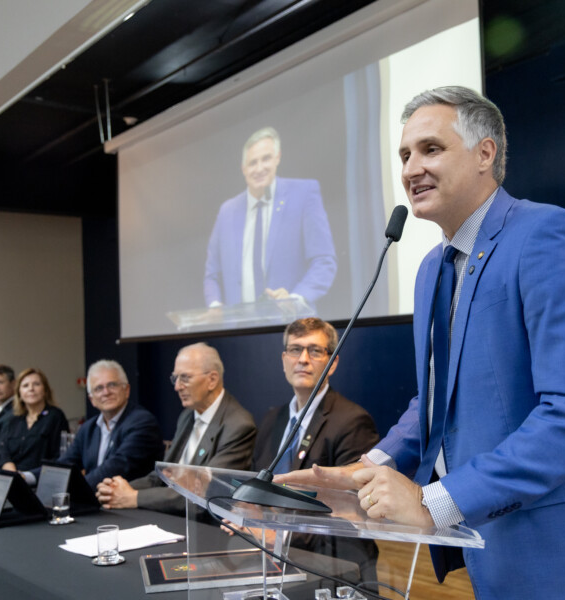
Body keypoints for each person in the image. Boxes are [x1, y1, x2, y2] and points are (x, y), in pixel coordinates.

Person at [278, 86, 565, 598]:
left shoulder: (549, 235)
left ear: (485, 153)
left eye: (431, 149)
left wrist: (434, 502)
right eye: (404, 155)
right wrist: (367, 468)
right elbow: (435, 402)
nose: (411, 168)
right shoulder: (429, 269)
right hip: (490, 545)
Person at [251, 317, 379, 582]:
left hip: (333, 569)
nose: (303, 359)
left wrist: (278, 535)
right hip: (269, 560)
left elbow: (350, 514)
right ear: (284, 359)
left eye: (315, 351)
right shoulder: (271, 420)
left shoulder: (352, 421)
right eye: (295, 349)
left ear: (333, 362)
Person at [95, 343, 256, 515]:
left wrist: (134, 497)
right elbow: (164, 476)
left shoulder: (238, 426)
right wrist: (116, 490)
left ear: (212, 380)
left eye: (185, 378)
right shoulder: (187, 416)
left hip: (205, 525)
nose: (177, 387)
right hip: (169, 514)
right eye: (175, 378)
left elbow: (205, 495)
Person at [204, 127, 336, 307]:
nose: (259, 168)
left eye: (265, 159)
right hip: (239, 323)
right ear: (243, 168)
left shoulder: (304, 194)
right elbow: (212, 274)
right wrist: (214, 305)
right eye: (253, 162)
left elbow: (324, 261)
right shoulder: (227, 211)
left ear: (277, 158)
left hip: (292, 321)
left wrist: (295, 299)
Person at [28, 360, 164, 488]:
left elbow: (115, 468)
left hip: (130, 501)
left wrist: (74, 491)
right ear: (92, 399)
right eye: (98, 388)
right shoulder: (88, 428)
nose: (106, 392)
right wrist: (27, 477)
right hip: (96, 498)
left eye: (112, 385)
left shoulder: (142, 422)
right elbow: (65, 463)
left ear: (126, 390)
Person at [0, 367, 68, 472]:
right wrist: (12, 470)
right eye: (25, 386)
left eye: (36, 384)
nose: (31, 389)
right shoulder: (13, 419)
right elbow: (3, 450)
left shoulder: (55, 416)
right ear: (19, 393)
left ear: (45, 390)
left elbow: (59, 456)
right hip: (11, 474)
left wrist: (27, 476)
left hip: (39, 476)